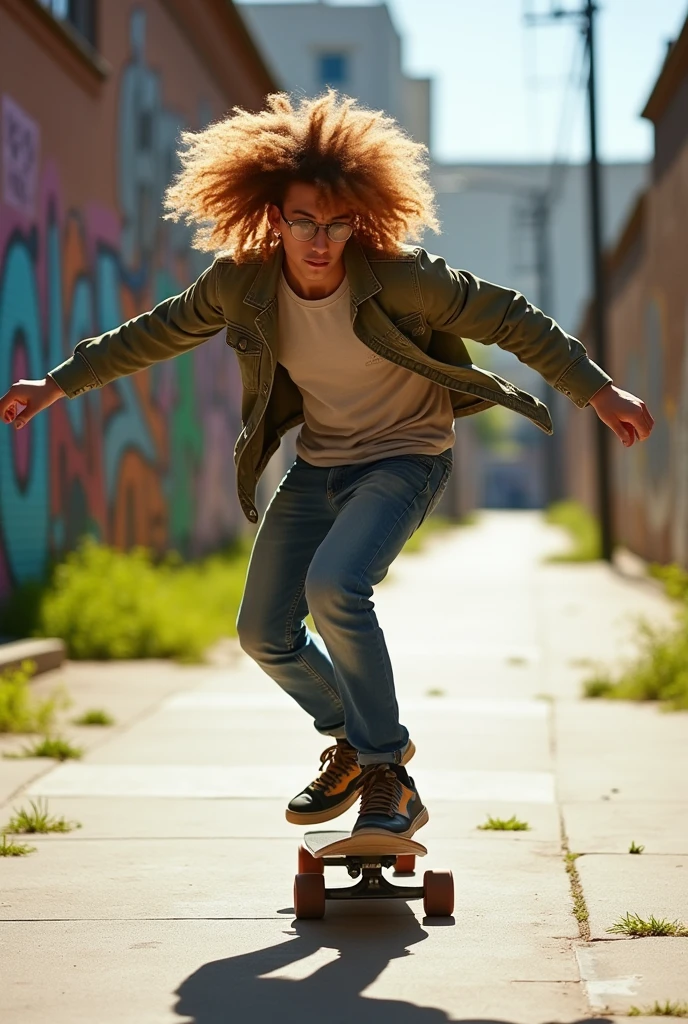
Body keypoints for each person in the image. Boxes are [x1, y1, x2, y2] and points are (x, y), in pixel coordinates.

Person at [0, 91, 654, 842]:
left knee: (337, 585)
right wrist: (56, 382)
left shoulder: (402, 278)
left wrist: (597, 391)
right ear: (272, 218)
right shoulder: (239, 285)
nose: (320, 239)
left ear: (358, 219)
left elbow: (510, 316)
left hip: (408, 455)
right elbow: (157, 331)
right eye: (303, 221)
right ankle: (356, 742)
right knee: (262, 632)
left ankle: (387, 777)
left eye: (336, 222)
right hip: (321, 464)